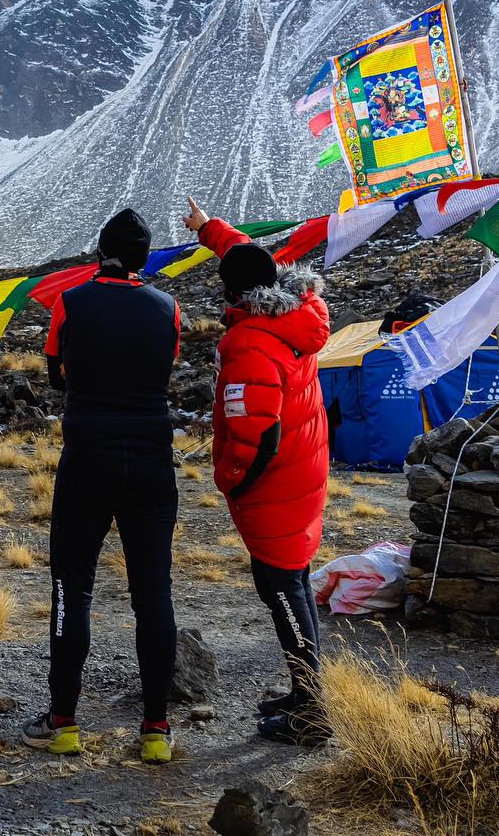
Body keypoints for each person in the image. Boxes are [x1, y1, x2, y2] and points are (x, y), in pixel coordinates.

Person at [21, 208, 180, 764]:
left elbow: (54, 371)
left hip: (88, 456)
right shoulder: (168, 307)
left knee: (72, 586)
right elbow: (166, 367)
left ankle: (63, 722)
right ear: (143, 256)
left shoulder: (72, 302)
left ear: (100, 252)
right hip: (152, 460)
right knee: (153, 591)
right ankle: (156, 730)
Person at [182, 196, 331, 745]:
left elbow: (256, 433)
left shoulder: (248, 343)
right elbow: (248, 255)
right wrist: (209, 230)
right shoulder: (296, 312)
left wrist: (231, 480)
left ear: (233, 294)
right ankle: (305, 693)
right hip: (303, 468)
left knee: (281, 587)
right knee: (291, 581)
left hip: (274, 483)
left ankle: (312, 711)